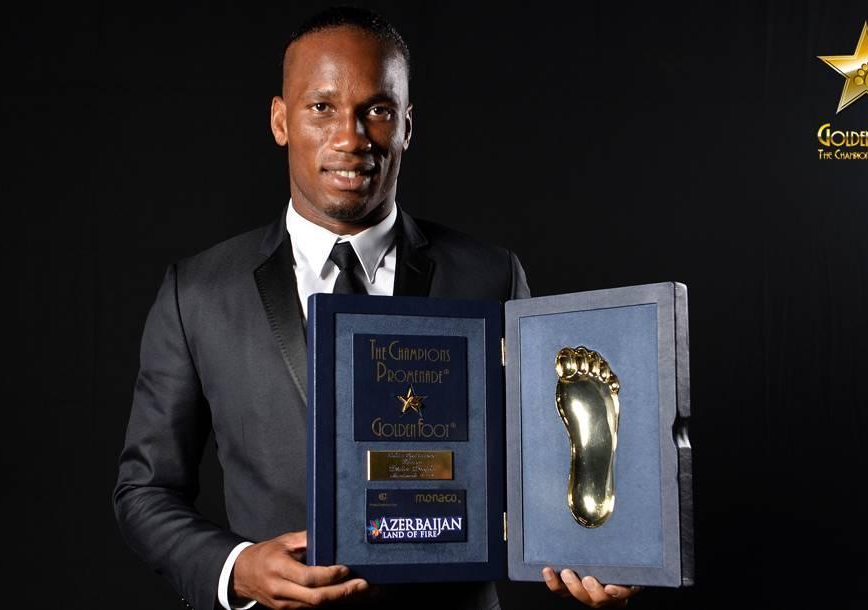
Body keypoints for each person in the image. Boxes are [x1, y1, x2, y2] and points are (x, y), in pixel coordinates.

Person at [113, 7, 638, 609]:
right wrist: (236, 569)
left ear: (407, 125)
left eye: (378, 111)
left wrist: (591, 551)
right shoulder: (199, 293)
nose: (351, 137)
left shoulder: (489, 275)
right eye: (322, 107)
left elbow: (539, 463)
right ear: (280, 120)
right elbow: (144, 490)